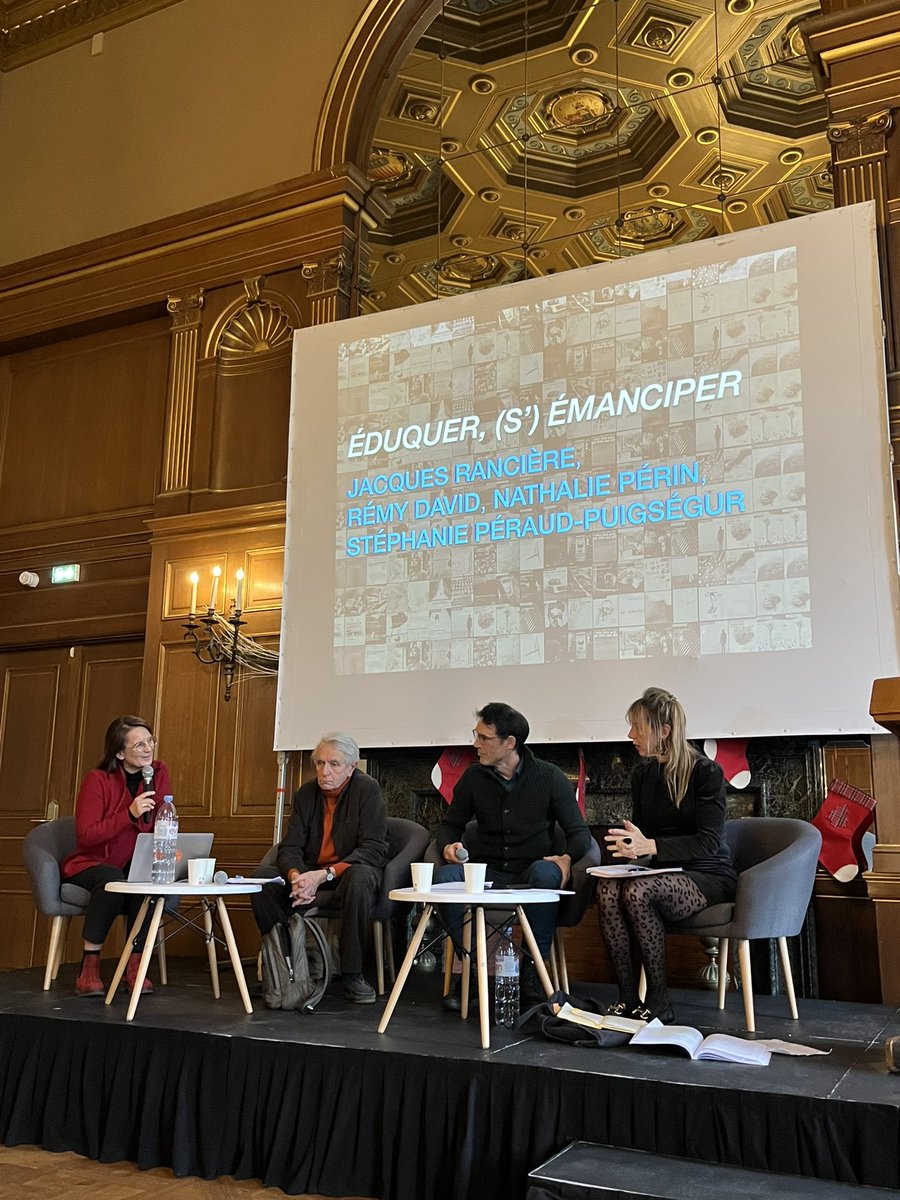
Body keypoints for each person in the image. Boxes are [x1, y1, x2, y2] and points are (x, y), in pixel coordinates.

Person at [434, 701, 590, 1009]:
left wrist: (567, 858)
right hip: (489, 871)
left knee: (547, 874)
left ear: (509, 743)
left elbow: (580, 834)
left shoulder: (549, 776)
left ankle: (532, 973)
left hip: (530, 871)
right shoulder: (474, 777)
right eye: (475, 735)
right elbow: (449, 826)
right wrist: (449, 846)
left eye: (483, 738)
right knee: (444, 878)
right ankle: (474, 972)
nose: (475, 744)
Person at [597, 687, 737, 1023]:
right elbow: (643, 835)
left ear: (664, 731)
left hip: (707, 874)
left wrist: (651, 847)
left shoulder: (706, 772)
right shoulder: (643, 773)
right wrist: (633, 846)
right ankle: (629, 1000)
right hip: (659, 870)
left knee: (638, 891)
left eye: (639, 728)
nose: (631, 735)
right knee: (606, 888)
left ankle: (658, 1002)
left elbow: (709, 842)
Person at [251, 733, 387, 1004]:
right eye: (320, 763)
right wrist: (297, 877)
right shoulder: (306, 794)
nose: (325, 772)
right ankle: (286, 970)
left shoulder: (367, 790)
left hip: (350, 870)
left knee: (359, 879)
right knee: (262, 880)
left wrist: (323, 875)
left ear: (351, 767)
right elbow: (289, 848)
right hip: (309, 872)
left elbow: (374, 848)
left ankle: (352, 974)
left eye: (334, 765)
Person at [61, 715, 171, 998]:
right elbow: (86, 836)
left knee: (147, 879)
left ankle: (134, 965)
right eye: (139, 745)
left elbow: (158, 824)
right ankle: (89, 968)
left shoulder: (158, 773)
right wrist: (128, 815)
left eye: (150, 741)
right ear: (120, 753)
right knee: (112, 880)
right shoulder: (97, 779)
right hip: (91, 862)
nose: (148, 749)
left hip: (134, 860)